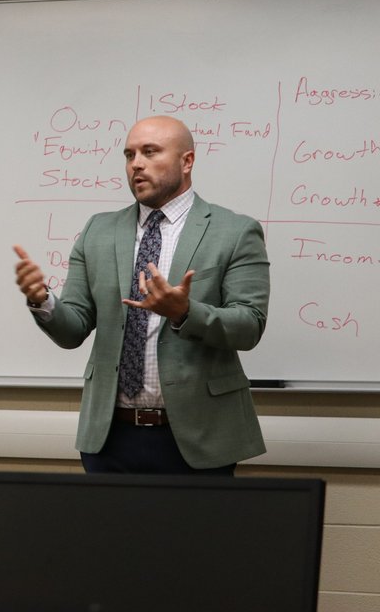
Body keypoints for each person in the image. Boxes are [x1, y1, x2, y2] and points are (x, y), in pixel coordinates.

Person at [13, 115, 270, 474]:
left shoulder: (235, 231)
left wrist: (184, 312)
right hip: (110, 438)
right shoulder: (98, 230)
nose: (136, 164)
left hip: (200, 435)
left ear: (187, 161)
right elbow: (73, 329)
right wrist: (42, 300)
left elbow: (249, 325)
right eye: (129, 154)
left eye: (150, 152)